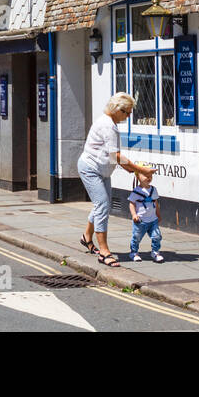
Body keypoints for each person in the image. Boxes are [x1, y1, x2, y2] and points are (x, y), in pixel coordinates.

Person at [77, 92, 154, 267]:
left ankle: (86, 237)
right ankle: (104, 252)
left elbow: (112, 157)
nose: (128, 116)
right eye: (127, 112)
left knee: (102, 205)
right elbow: (116, 156)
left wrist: (132, 170)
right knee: (102, 205)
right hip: (91, 169)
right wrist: (141, 169)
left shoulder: (109, 123)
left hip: (101, 170)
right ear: (117, 109)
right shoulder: (108, 126)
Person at [128, 171, 164, 262]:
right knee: (136, 237)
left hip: (153, 220)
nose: (149, 177)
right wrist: (134, 214)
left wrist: (158, 215)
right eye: (146, 175)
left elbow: (156, 203)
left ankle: (155, 252)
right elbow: (131, 204)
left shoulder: (153, 189)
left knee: (157, 236)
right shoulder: (136, 191)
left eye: (150, 175)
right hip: (140, 220)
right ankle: (134, 252)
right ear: (137, 177)